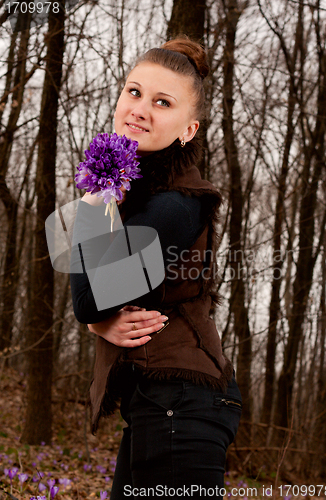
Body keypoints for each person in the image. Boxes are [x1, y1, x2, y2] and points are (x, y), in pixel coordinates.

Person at [70, 37, 242, 499]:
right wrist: (97, 324)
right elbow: (89, 297)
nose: (140, 109)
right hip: (157, 403)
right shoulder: (134, 193)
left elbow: (87, 298)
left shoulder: (178, 206)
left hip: (183, 406)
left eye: (162, 102)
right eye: (134, 92)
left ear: (188, 129)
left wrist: (93, 196)